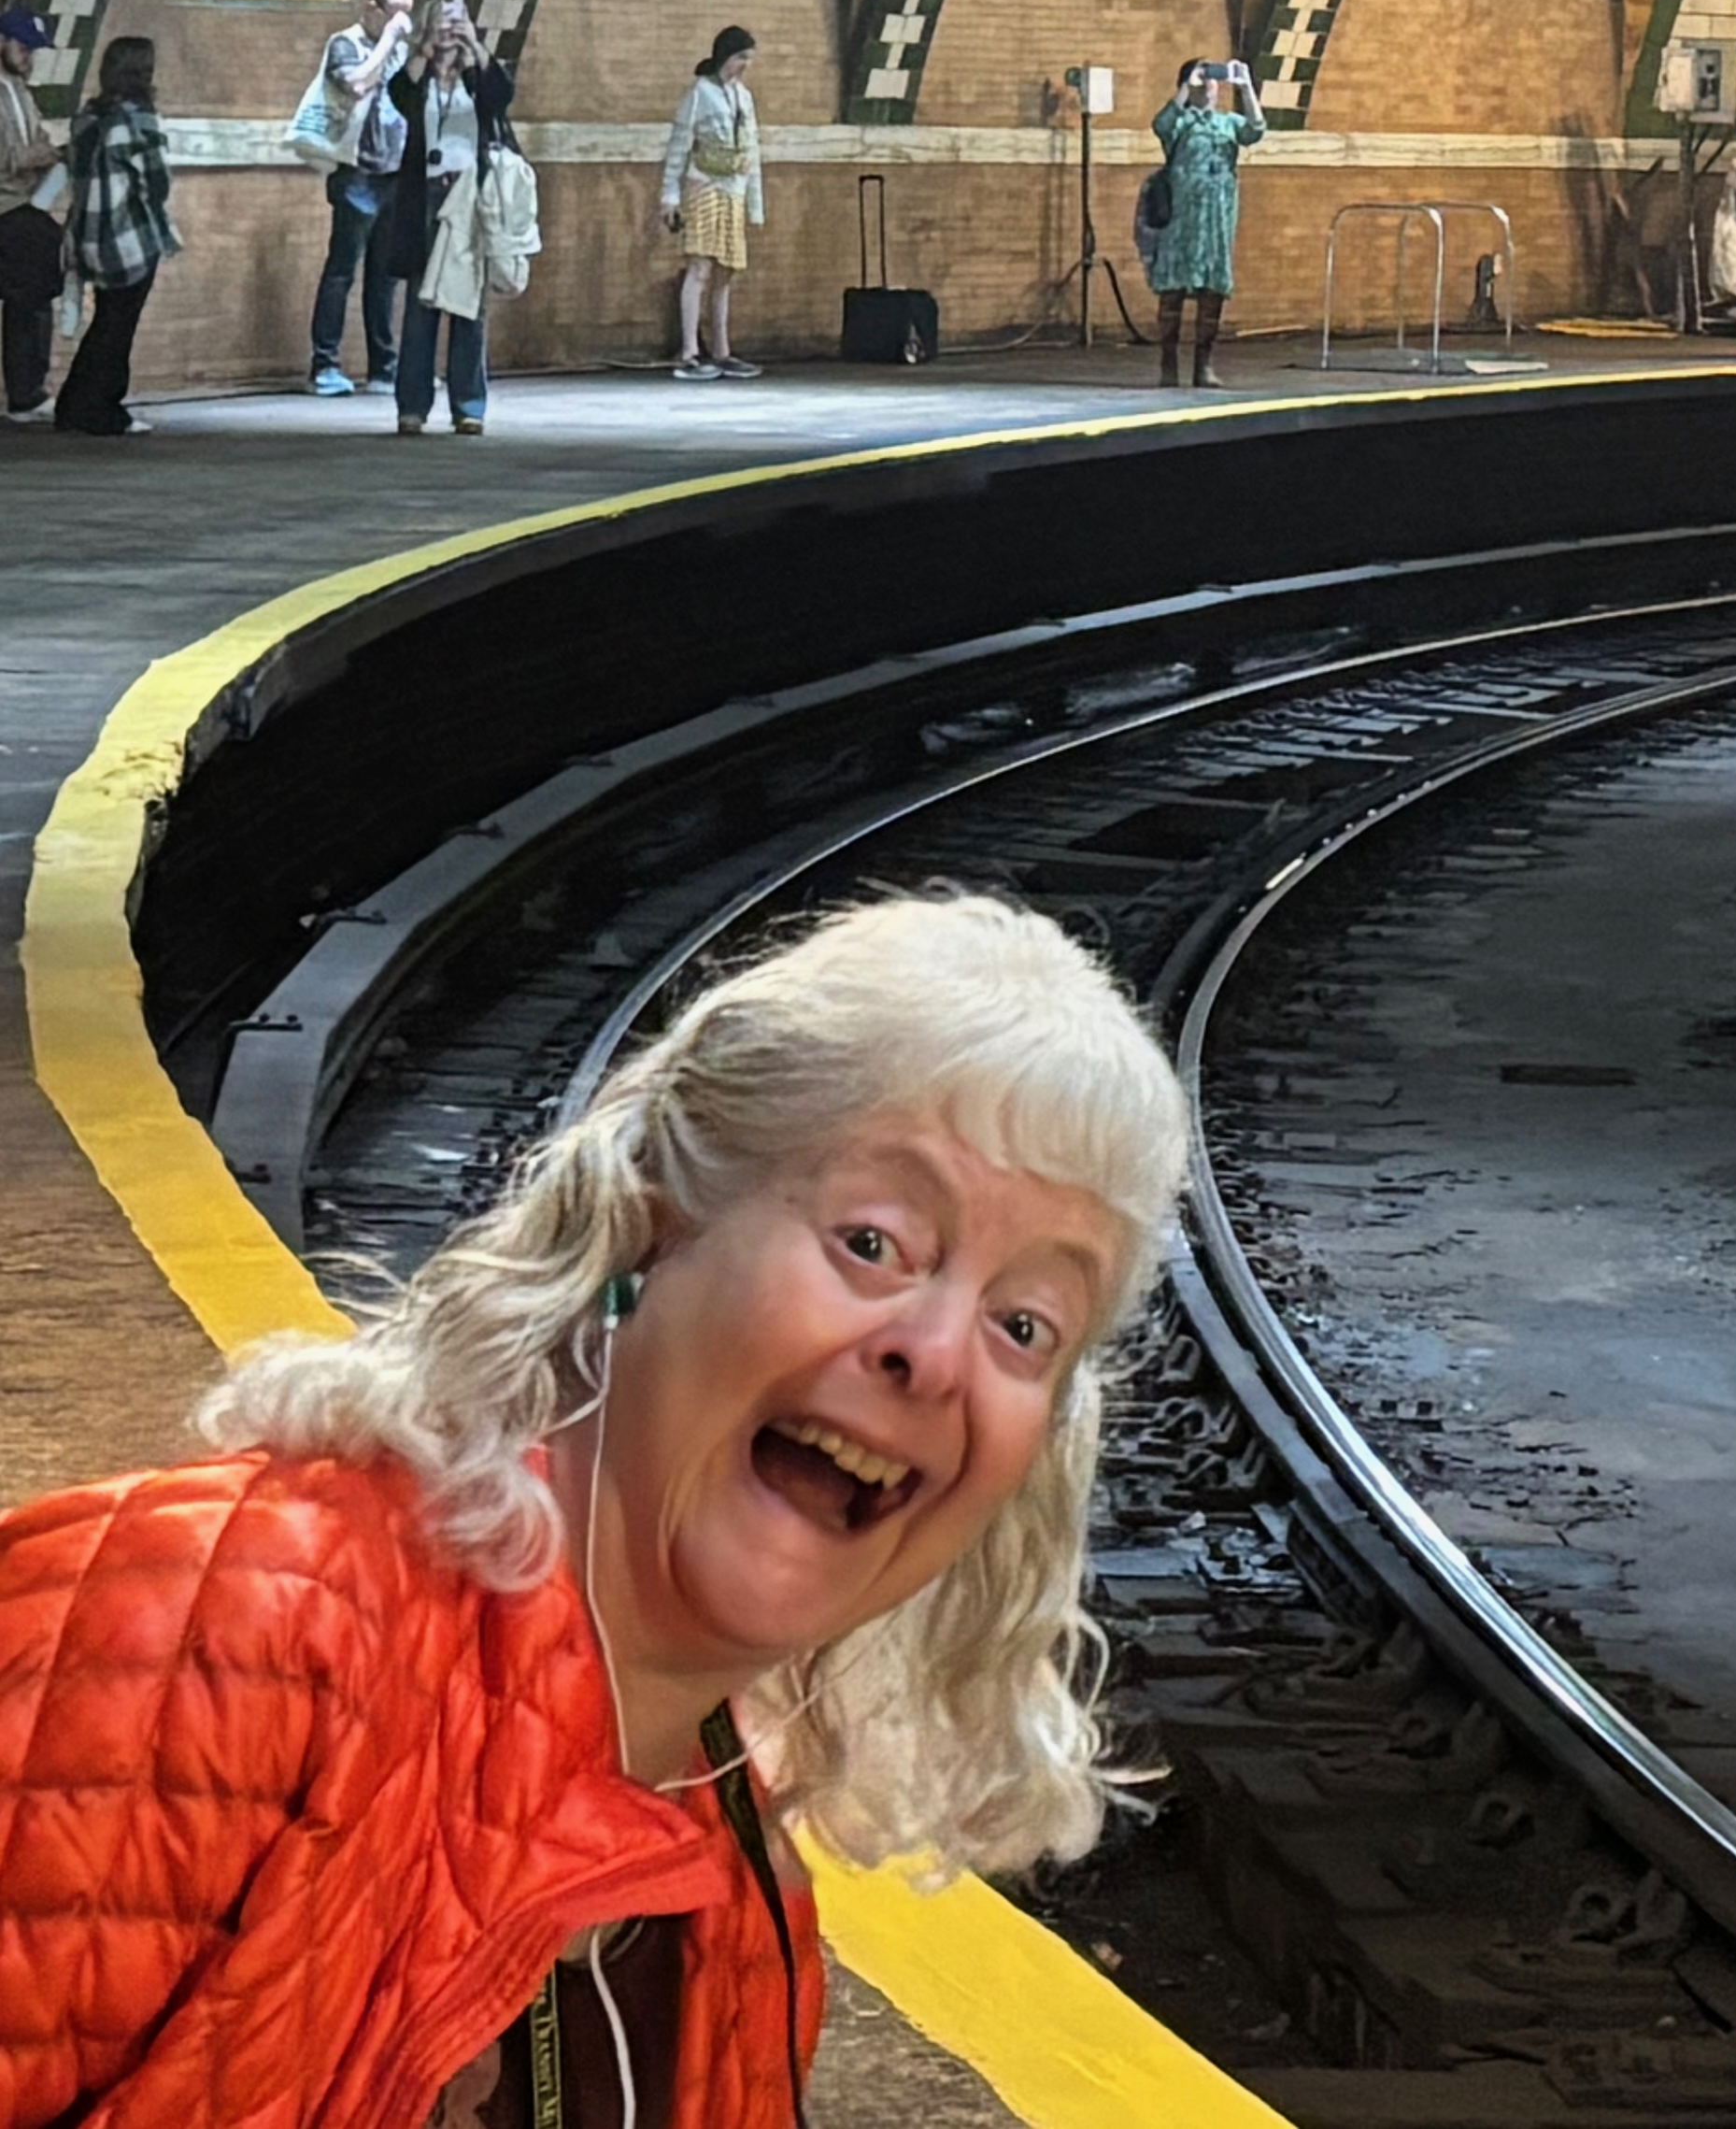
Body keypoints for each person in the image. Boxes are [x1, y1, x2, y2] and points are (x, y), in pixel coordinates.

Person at [0, 892, 1185, 2129]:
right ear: (657, 1222)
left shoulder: (735, 1904)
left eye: (1025, 1325)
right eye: (875, 1242)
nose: (936, 1354)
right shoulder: (227, 1633)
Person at [378, 0, 520, 440]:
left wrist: (475, 46)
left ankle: (469, 406)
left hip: (469, 197)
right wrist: (424, 50)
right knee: (423, 309)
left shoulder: (476, 80)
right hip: (426, 200)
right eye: (444, 21)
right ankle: (413, 408)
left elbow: (502, 96)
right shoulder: (419, 81)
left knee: (470, 309)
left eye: (458, 21)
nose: (450, 29)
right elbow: (399, 93)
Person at [50, 32, 172, 437]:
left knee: (105, 321)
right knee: (118, 328)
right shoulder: (138, 118)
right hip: (129, 238)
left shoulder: (87, 117)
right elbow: (156, 183)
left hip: (87, 236)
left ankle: (73, 404)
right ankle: (102, 409)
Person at [304, 0, 415, 397]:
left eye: (407, 17)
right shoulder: (345, 44)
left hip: (394, 173)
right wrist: (388, 42)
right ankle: (324, 365)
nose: (401, 25)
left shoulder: (401, 50)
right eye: (395, 15)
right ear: (373, 6)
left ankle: (384, 368)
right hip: (357, 173)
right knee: (341, 271)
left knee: (385, 276)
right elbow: (356, 85)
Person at [1145, 56, 1261, 388]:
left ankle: (1203, 365)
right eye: (1205, 79)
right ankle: (1168, 364)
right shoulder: (1181, 123)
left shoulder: (1228, 123)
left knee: (1212, 291)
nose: (1211, 85)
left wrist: (1246, 85)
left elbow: (1256, 129)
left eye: (1213, 79)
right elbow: (1161, 125)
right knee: (1173, 291)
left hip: (1216, 219)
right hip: (1182, 220)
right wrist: (1187, 85)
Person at [662, 25, 765, 380]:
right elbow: (678, 147)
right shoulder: (700, 94)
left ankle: (722, 350)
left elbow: (752, 149)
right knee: (700, 267)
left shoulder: (744, 97)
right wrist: (670, 196)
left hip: (733, 187)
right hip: (703, 184)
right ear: (726, 56)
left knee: (726, 271)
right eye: (741, 58)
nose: (745, 66)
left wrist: (755, 203)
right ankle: (690, 350)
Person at [0, 5, 62, 424]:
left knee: (36, 294)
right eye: (24, 47)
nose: (29, 57)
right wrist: (50, 154)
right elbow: (12, 158)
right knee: (27, 294)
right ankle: (24, 392)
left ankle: (29, 387)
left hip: (25, 203)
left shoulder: (20, 91)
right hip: (7, 206)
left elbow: (35, 140)